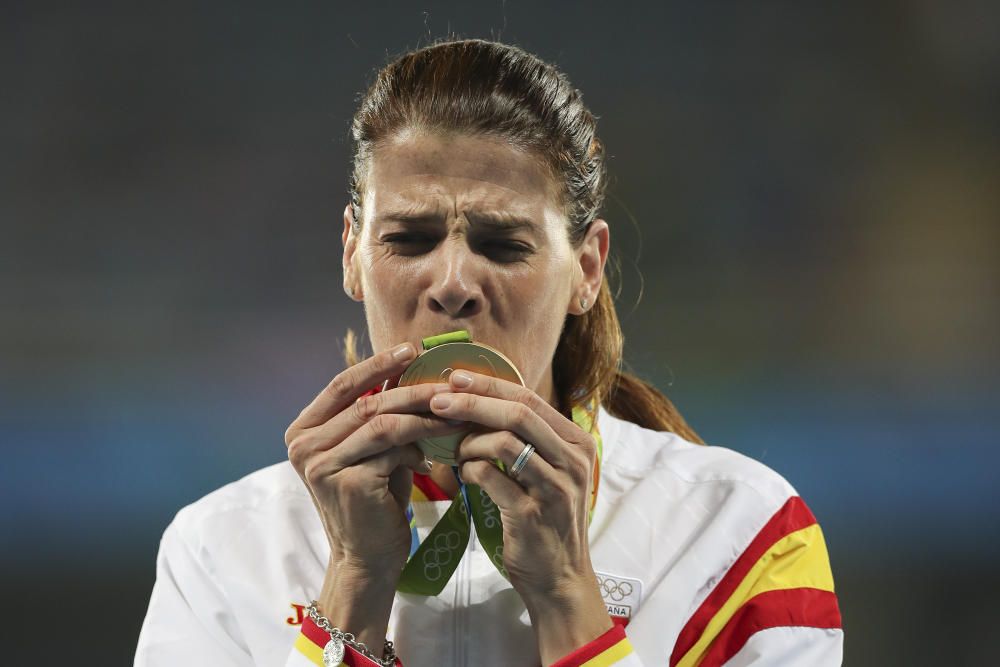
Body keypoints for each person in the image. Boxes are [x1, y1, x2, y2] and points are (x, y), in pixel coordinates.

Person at [134, 38, 843, 667]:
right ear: (352, 253)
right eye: (408, 239)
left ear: (587, 269)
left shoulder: (741, 535)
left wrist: (569, 597)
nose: (452, 284)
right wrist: (352, 581)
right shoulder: (219, 552)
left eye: (503, 244)